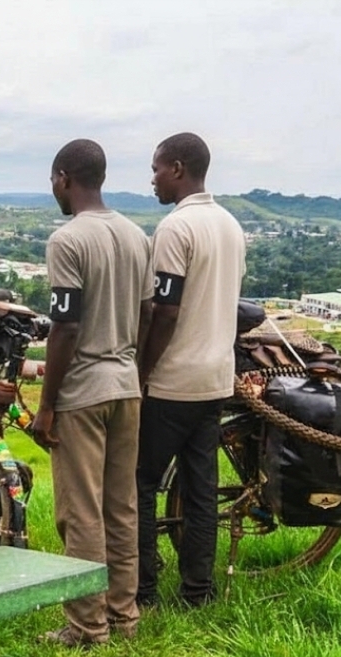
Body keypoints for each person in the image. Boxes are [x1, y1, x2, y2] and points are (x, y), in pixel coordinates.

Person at [31, 139, 153, 647]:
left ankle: (86, 626)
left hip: (82, 392)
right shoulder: (135, 234)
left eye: (52, 181)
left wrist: (46, 404)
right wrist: (133, 369)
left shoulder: (68, 240)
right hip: (127, 387)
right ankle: (123, 617)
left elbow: (64, 327)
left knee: (80, 513)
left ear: (64, 177)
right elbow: (148, 313)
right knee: (120, 508)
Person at [136, 132, 246, 608]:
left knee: (139, 485)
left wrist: (141, 369)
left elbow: (165, 311)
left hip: (172, 382)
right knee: (201, 492)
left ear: (178, 168)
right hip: (215, 379)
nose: (153, 178)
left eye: (157, 168)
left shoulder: (175, 229)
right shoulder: (229, 225)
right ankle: (198, 592)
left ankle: (143, 590)